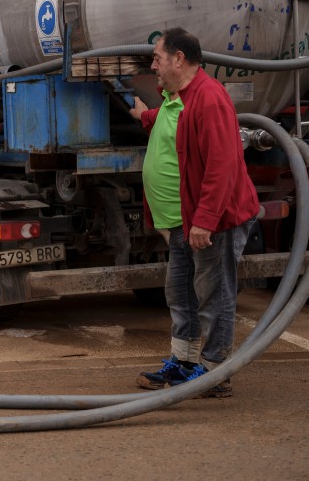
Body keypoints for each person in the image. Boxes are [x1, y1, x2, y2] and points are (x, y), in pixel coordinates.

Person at [129, 27, 259, 398]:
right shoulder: (177, 96)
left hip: (212, 221)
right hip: (182, 222)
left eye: (157, 57)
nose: (152, 65)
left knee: (213, 295)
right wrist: (146, 118)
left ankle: (216, 374)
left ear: (178, 59)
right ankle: (184, 364)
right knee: (181, 293)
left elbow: (222, 166)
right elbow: (174, 123)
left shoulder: (209, 98)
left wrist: (205, 221)